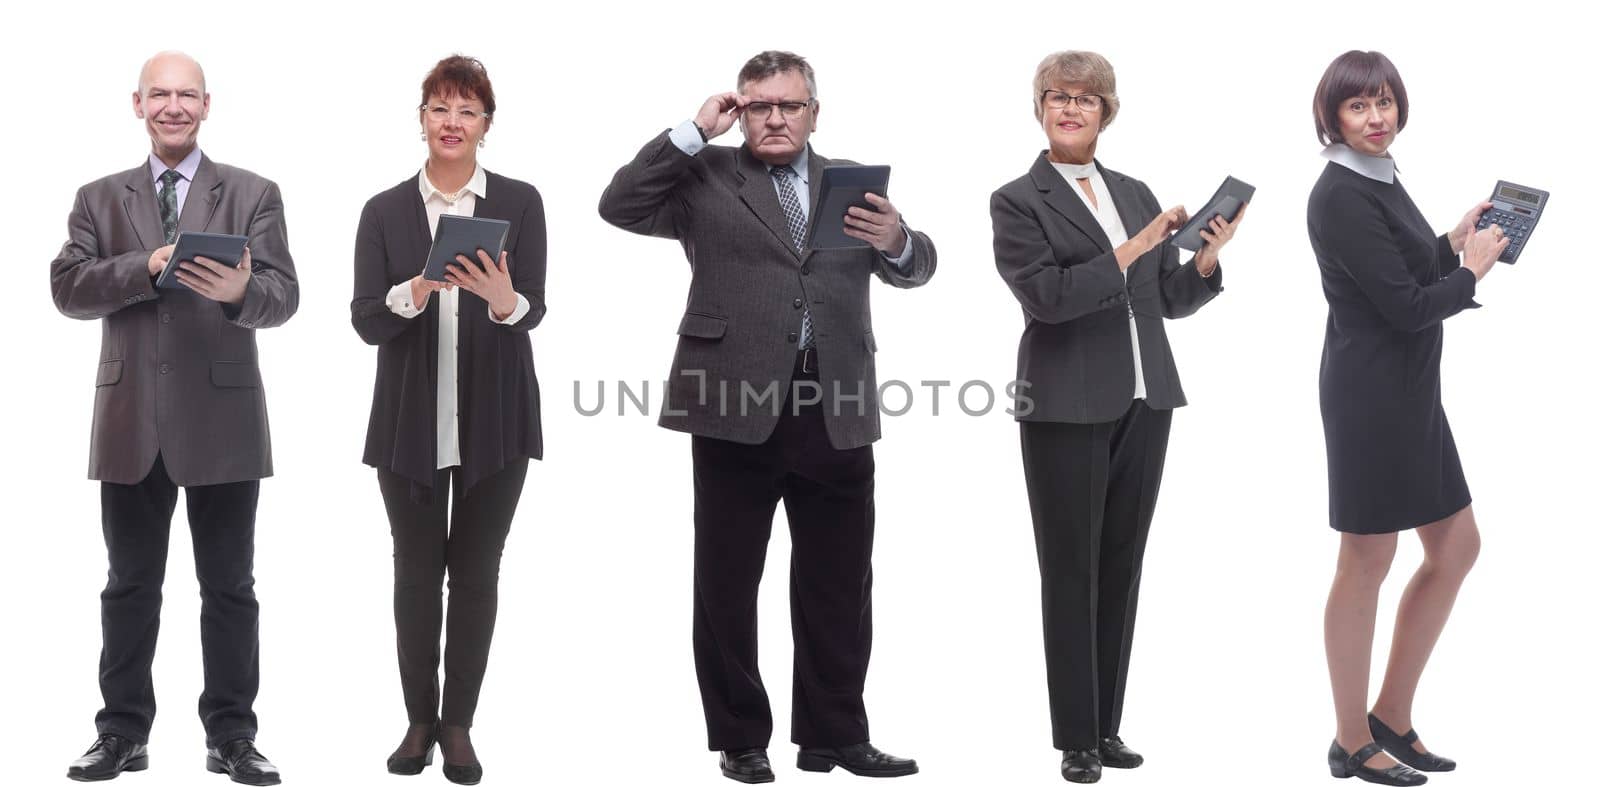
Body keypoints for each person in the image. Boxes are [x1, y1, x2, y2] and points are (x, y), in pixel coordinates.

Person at [598, 49, 934, 784]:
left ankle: (834, 736)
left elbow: (920, 265)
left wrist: (899, 241)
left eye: (789, 105)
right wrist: (694, 130)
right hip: (731, 401)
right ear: (739, 111)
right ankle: (740, 736)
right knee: (726, 579)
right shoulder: (704, 176)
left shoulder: (853, 186)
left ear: (816, 112)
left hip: (835, 400)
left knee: (839, 581)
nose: (774, 117)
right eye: (758, 106)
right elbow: (618, 205)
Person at [990, 51, 1241, 784]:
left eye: (1086, 99)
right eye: (1057, 97)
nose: (1071, 108)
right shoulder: (1017, 199)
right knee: (1070, 568)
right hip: (1065, 402)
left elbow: (1162, 299)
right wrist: (1135, 247)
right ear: (1039, 108)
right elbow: (1049, 298)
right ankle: (1074, 734)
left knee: (1122, 565)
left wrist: (1200, 261)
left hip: (1145, 396)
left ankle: (1106, 724)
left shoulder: (1132, 190)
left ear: (1107, 112)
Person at [48, 51, 296, 786]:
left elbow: (283, 295)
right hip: (130, 420)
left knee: (229, 586)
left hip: (223, 419)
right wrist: (144, 267)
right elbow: (66, 287)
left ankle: (232, 736)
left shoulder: (253, 192)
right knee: (129, 584)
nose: (174, 106)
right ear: (138, 104)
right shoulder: (99, 198)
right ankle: (122, 732)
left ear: (207, 105)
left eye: (187, 94)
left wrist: (238, 290)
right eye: (161, 94)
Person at [1307, 50, 1507, 787]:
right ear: (1331, 116)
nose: (1376, 117)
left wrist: (1451, 241)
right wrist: (1471, 271)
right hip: (1371, 398)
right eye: (1358, 107)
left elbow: (1401, 267)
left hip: (1413, 393)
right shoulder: (1338, 194)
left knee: (1457, 546)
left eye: (1385, 101)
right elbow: (1406, 304)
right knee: (1367, 561)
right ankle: (1351, 738)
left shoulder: (1379, 175)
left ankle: (1391, 714)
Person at [350, 54, 547, 786]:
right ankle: (418, 719)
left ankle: (458, 722)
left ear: (486, 125)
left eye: (467, 111)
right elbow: (366, 320)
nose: (452, 122)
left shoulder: (521, 204)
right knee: (414, 574)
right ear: (422, 119)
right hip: (408, 424)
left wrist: (502, 297)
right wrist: (419, 289)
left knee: (476, 573)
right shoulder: (384, 210)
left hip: (498, 422)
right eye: (439, 108)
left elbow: (535, 309)